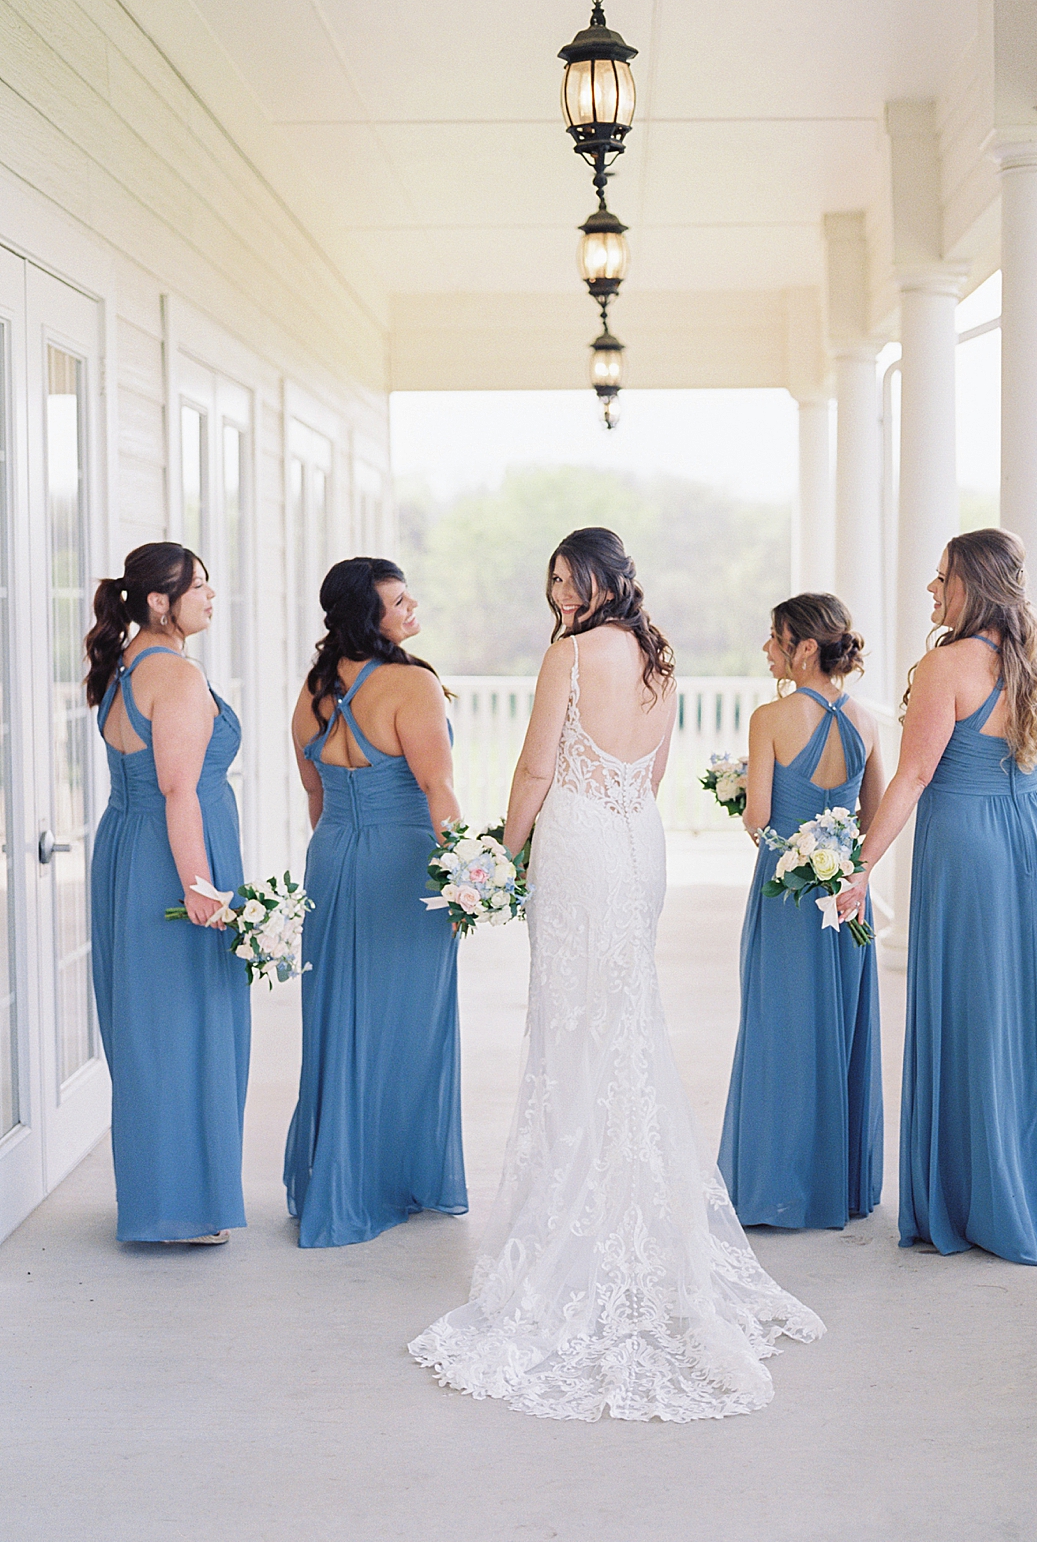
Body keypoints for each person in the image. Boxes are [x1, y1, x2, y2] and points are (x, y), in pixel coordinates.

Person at [409, 527, 823, 1422]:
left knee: (575, 1026)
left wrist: (500, 855)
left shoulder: (570, 653)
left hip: (580, 842)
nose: (561, 593)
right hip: (637, 841)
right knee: (623, 1024)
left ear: (606, 578)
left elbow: (534, 766)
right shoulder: (658, 659)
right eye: (553, 580)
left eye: (572, 578)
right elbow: (656, 768)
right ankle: (634, 1214)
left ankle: (582, 1220)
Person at [836, 529, 1037, 1266]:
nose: (931, 588)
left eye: (941, 576)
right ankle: (1013, 1190)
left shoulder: (947, 664)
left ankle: (967, 1200)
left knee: (964, 1016)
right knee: (1017, 1023)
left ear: (972, 585)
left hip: (970, 851)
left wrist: (861, 866)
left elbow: (913, 778)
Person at [283, 558, 466, 1247]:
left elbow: (315, 792)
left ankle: (339, 1173)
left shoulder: (311, 692)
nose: (412, 605)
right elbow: (438, 790)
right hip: (403, 867)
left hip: (331, 861)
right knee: (408, 1021)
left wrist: (341, 852)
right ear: (369, 614)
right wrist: (464, 876)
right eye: (398, 599)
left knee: (339, 1017)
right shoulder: (412, 684)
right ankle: (392, 1177)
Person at [87, 543, 249, 1245]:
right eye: (200, 586)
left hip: (126, 850)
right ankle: (184, 1205)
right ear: (161, 601)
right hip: (168, 859)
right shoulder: (176, 676)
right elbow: (179, 789)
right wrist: (201, 887)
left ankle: (160, 1194)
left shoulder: (126, 666)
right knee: (189, 1026)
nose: (212, 596)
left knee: (148, 1031)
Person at [719, 593, 885, 1229]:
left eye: (775, 637)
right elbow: (872, 820)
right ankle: (838, 1185)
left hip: (786, 894)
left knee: (778, 1026)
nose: (767, 648)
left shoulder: (770, 717)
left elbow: (759, 818)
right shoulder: (868, 722)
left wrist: (745, 800)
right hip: (843, 890)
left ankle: (777, 1184)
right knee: (837, 1028)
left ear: (805, 649)